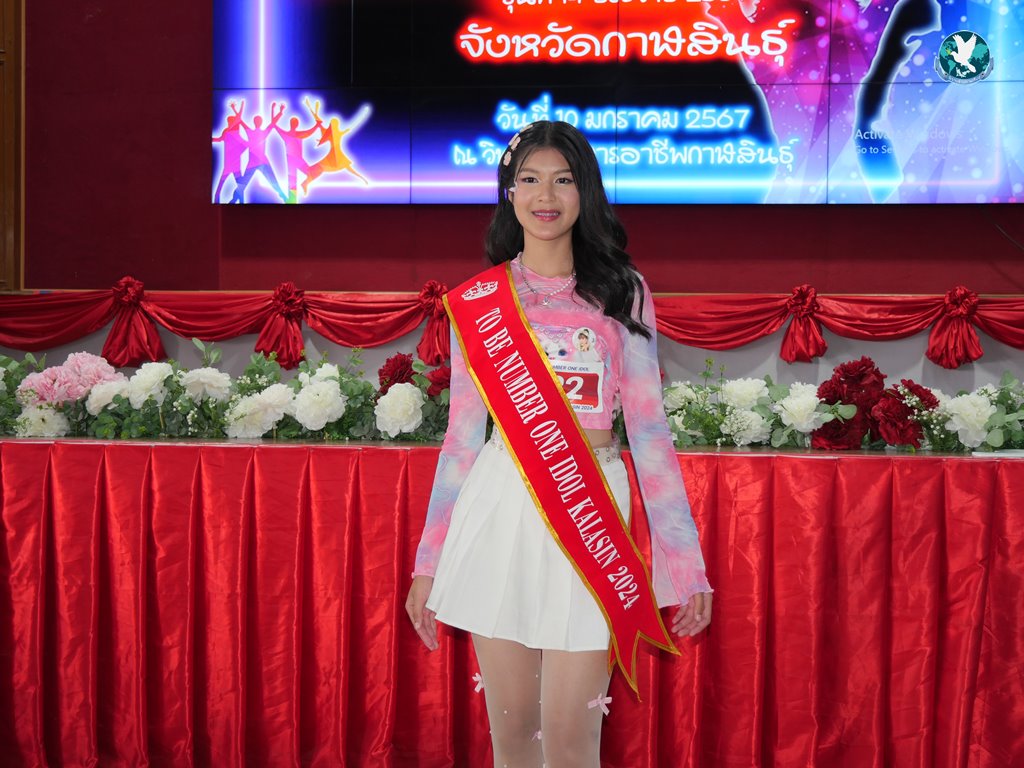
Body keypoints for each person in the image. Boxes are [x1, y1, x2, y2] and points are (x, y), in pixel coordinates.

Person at [405, 121, 712, 767]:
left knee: (573, 739)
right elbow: (461, 440)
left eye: (563, 179)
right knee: (515, 735)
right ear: (509, 193)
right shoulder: (479, 303)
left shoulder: (623, 293)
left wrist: (684, 565)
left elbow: (650, 433)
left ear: (585, 191)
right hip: (502, 507)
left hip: (591, 507)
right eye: (530, 179)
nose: (546, 195)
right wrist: (427, 564)